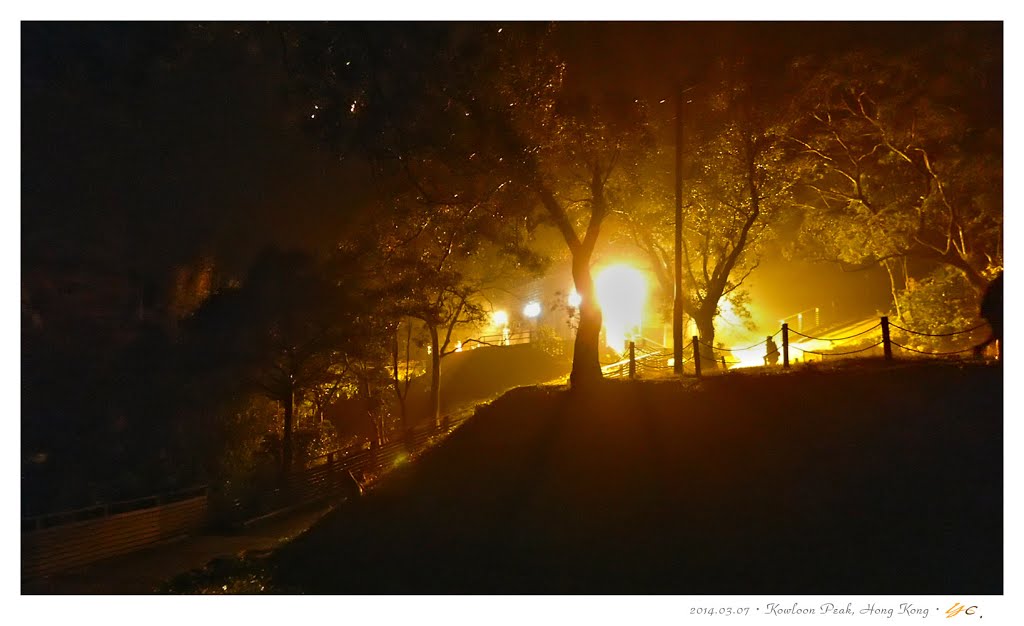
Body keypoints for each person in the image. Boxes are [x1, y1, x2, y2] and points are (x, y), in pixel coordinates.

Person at [974, 271, 1003, 358]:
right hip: (995, 312)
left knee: (999, 334)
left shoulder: (996, 284)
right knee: (1000, 334)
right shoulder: (1000, 284)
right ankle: (1001, 356)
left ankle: (980, 347)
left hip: (993, 312)